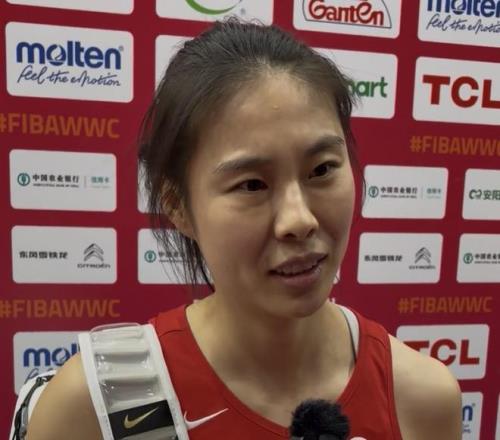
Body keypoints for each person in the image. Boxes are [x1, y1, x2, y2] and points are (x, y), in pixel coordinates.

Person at [26, 19, 462, 440]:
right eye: (252, 184)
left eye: (322, 169)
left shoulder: (422, 397)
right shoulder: (93, 408)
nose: (299, 220)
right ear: (177, 205)